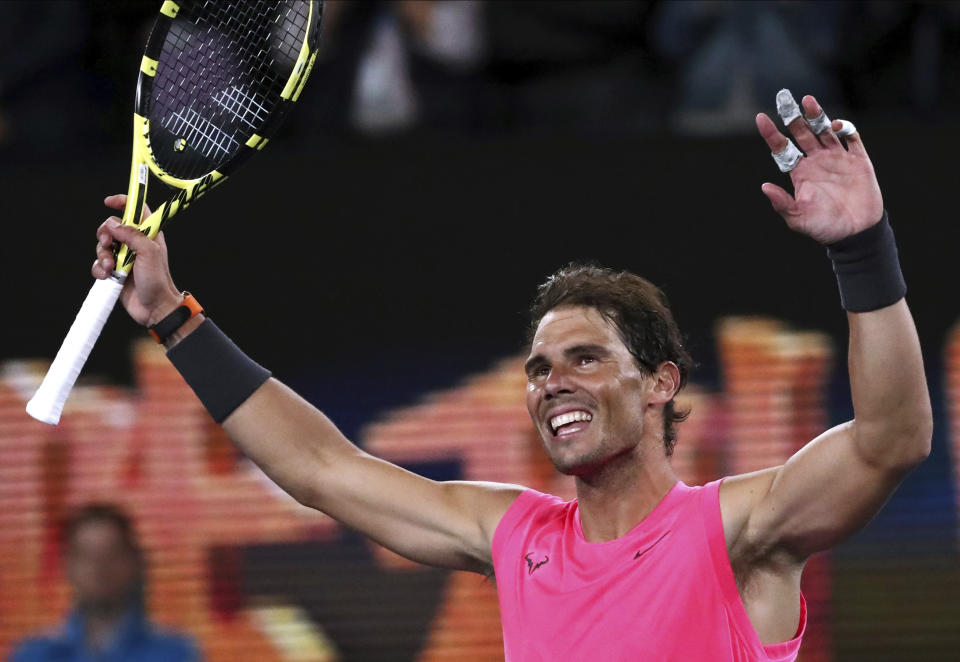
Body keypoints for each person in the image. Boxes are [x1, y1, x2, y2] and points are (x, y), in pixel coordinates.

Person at [90, 93, 931, 660]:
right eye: (538, 369)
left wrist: (861, 249)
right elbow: (320, 469)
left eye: (586, 358)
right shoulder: (516, 536)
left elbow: (891, 439)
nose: (551, 384)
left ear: (661, 383)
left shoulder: (740, 531)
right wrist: (172, 316)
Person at [10, 504, 200, 662]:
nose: (99, 567)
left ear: (134, 563)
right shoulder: (35, 655)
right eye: (86, 555)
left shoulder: (174, 653)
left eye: (112, 553)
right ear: (67, 567)